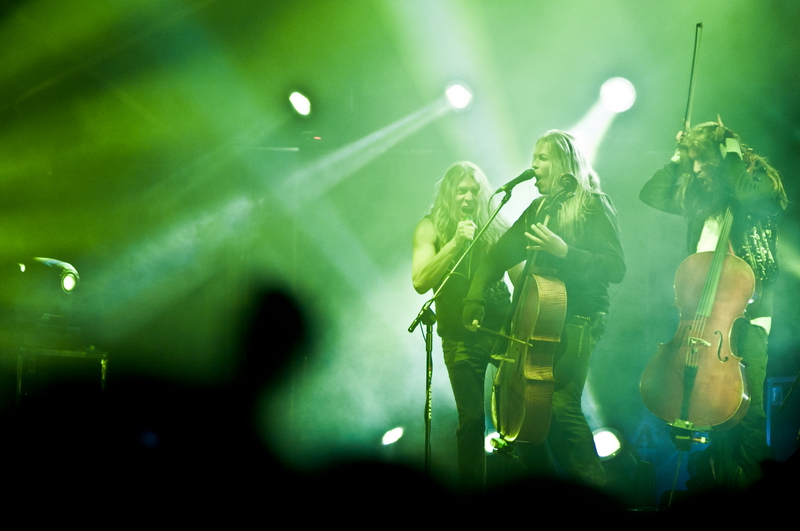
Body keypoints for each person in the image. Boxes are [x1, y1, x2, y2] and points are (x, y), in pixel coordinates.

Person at [462, 130, 625, 487]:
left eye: (542, 158)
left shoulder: (593, 204)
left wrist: (564, 251)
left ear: (564, 162)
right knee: (537, 413)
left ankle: (598, 488)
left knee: (562, 405)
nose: (533, 166)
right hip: (540, 321)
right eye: (533, 158)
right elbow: (497, 257)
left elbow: (616, 267)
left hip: (581, 319)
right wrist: (475, 295)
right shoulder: (538, 209)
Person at [640, 120, 787, 490]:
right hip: (703, 324)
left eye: (701, 160)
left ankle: (753, 488)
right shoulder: (701, 198)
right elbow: (651, 193)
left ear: (722, 158)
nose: (696, 169)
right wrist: (677, 159)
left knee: (747, 414)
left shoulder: (756, 182)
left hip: (747, 320)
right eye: (692, 162)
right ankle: (722, 489)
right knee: (716, 416)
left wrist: (731, 153)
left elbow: (745, 193)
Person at [412, 161, 510, 488]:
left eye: (474, 190)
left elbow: (521, 275)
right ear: (448, 195)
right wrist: (454, 243)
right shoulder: (430, 228)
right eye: (461, 191)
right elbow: (420, 281)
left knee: (519, 418)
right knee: (471, 421)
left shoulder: (497, 225)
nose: (468, 197)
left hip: (503, 334)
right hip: (458, 337)